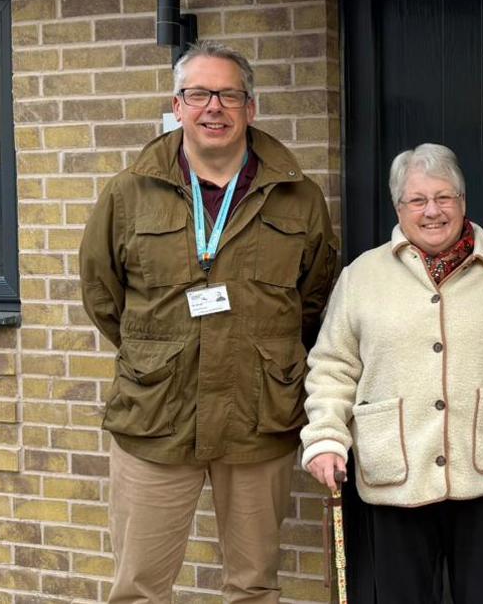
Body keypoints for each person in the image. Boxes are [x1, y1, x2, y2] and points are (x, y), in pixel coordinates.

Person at [79, 41, 341, 604]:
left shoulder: (298, 198)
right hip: (155, 415)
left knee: (252, 586)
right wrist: (158, 353)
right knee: (138, 588)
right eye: (198, 94)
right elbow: (104, 295)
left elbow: (314, 296)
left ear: (251, 106)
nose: (213, 107)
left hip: (257, 416)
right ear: (177, 106)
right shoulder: (129, 193)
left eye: (228, 94)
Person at [300, 143, 483, 603]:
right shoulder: (362, 275)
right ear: (398, 207)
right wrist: (325, 439)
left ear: (463, 201)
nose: (432, 211)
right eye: (417, 200)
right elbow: (332, 366)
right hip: (394, 477)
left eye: (444, 197)